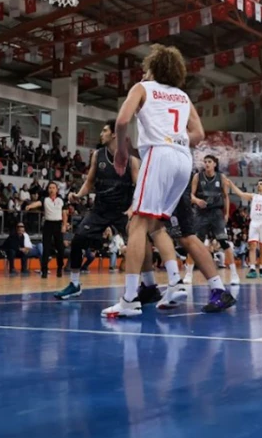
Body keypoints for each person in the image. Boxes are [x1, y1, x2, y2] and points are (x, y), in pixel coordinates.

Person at [101, 45, 235, 317]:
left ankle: (129, 300)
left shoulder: (143, 87)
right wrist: (178, 139)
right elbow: (198, 133)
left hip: (160, 155)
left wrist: (123, 155)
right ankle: (169, 284)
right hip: (183, 159)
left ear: (154, 68)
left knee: (138, 223)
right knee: (161, 225)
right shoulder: (183, 97)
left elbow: (122, 120)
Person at [54, 121, 151, 301]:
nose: (101, 133)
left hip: (124, 210)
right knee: (78, 241)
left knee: (141, 244)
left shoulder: (131, 160)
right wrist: (79, 195)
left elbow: (139, 188)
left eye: (105, 130)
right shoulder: (97, 155)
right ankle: (74, 284)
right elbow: (90, 182)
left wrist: (132, 208)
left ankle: (148, 284)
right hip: (100, 209)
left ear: (114, 134)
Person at [188, 155, 239, 286]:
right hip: (201, 213)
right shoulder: (197, 177)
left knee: (224, 242)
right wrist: (196, 200)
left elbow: (226, 196)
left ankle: (234, 274)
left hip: (216, 213)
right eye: (205, 162)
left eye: (209, 162)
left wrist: (226, 213)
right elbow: (191, 195)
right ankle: (188, 274)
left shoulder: (221, 177)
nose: (207, 164)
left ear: (215, 164)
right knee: (194, 244)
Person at [228, 179, 262, 278]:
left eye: (261, 184)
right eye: (258, 184)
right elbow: (240, 193)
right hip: (254, 223)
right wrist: (231, 184)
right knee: (252, 246)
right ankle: (252, 268)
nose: (259, 185)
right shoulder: (253, 196)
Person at [24, 181, 67, 279]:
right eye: (50, 188)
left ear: (56, 190)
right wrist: (30, 206)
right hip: (48, 224)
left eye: (53, 188)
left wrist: (64, 225)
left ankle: (60, 267)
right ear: (48, 190)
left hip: (58, 224)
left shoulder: (61, 200)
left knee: (60, 249)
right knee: (46, 249)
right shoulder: (45, 199)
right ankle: (44, 270)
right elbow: (38, 203)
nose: (51, 189)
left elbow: (64, 213)